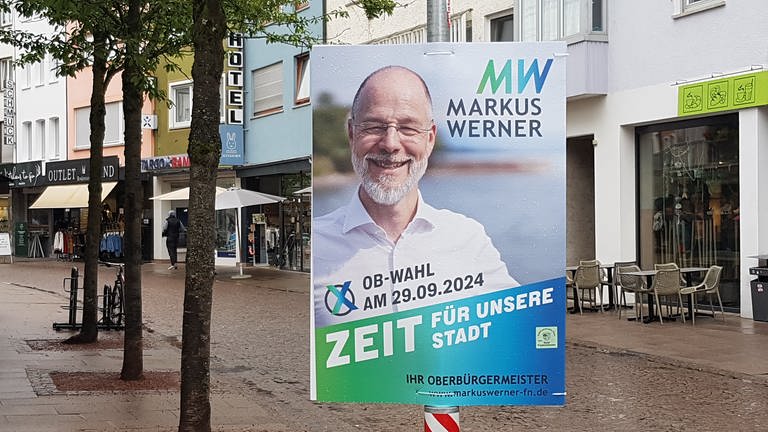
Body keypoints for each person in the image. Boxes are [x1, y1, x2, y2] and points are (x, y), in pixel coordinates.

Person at [313, 66, 518, 327]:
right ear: (352, 135)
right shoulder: (317, 245)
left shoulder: (468, 239)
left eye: (408, 128)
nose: (390, 144)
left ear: (430, 139)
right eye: (375, 126)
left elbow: (519, 333)